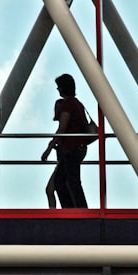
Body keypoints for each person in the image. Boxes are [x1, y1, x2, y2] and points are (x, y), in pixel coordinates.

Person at [40, 73, 89, 208]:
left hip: (71, 148)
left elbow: (61, 129)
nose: (58, 90)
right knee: (69, 181)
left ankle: (73, 211)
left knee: (64, 181)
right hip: (79, 147)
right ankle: (75, 210)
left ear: (63, 88)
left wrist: (48, 149)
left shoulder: (68, 104)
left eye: (59, 87)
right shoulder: (78, 104)